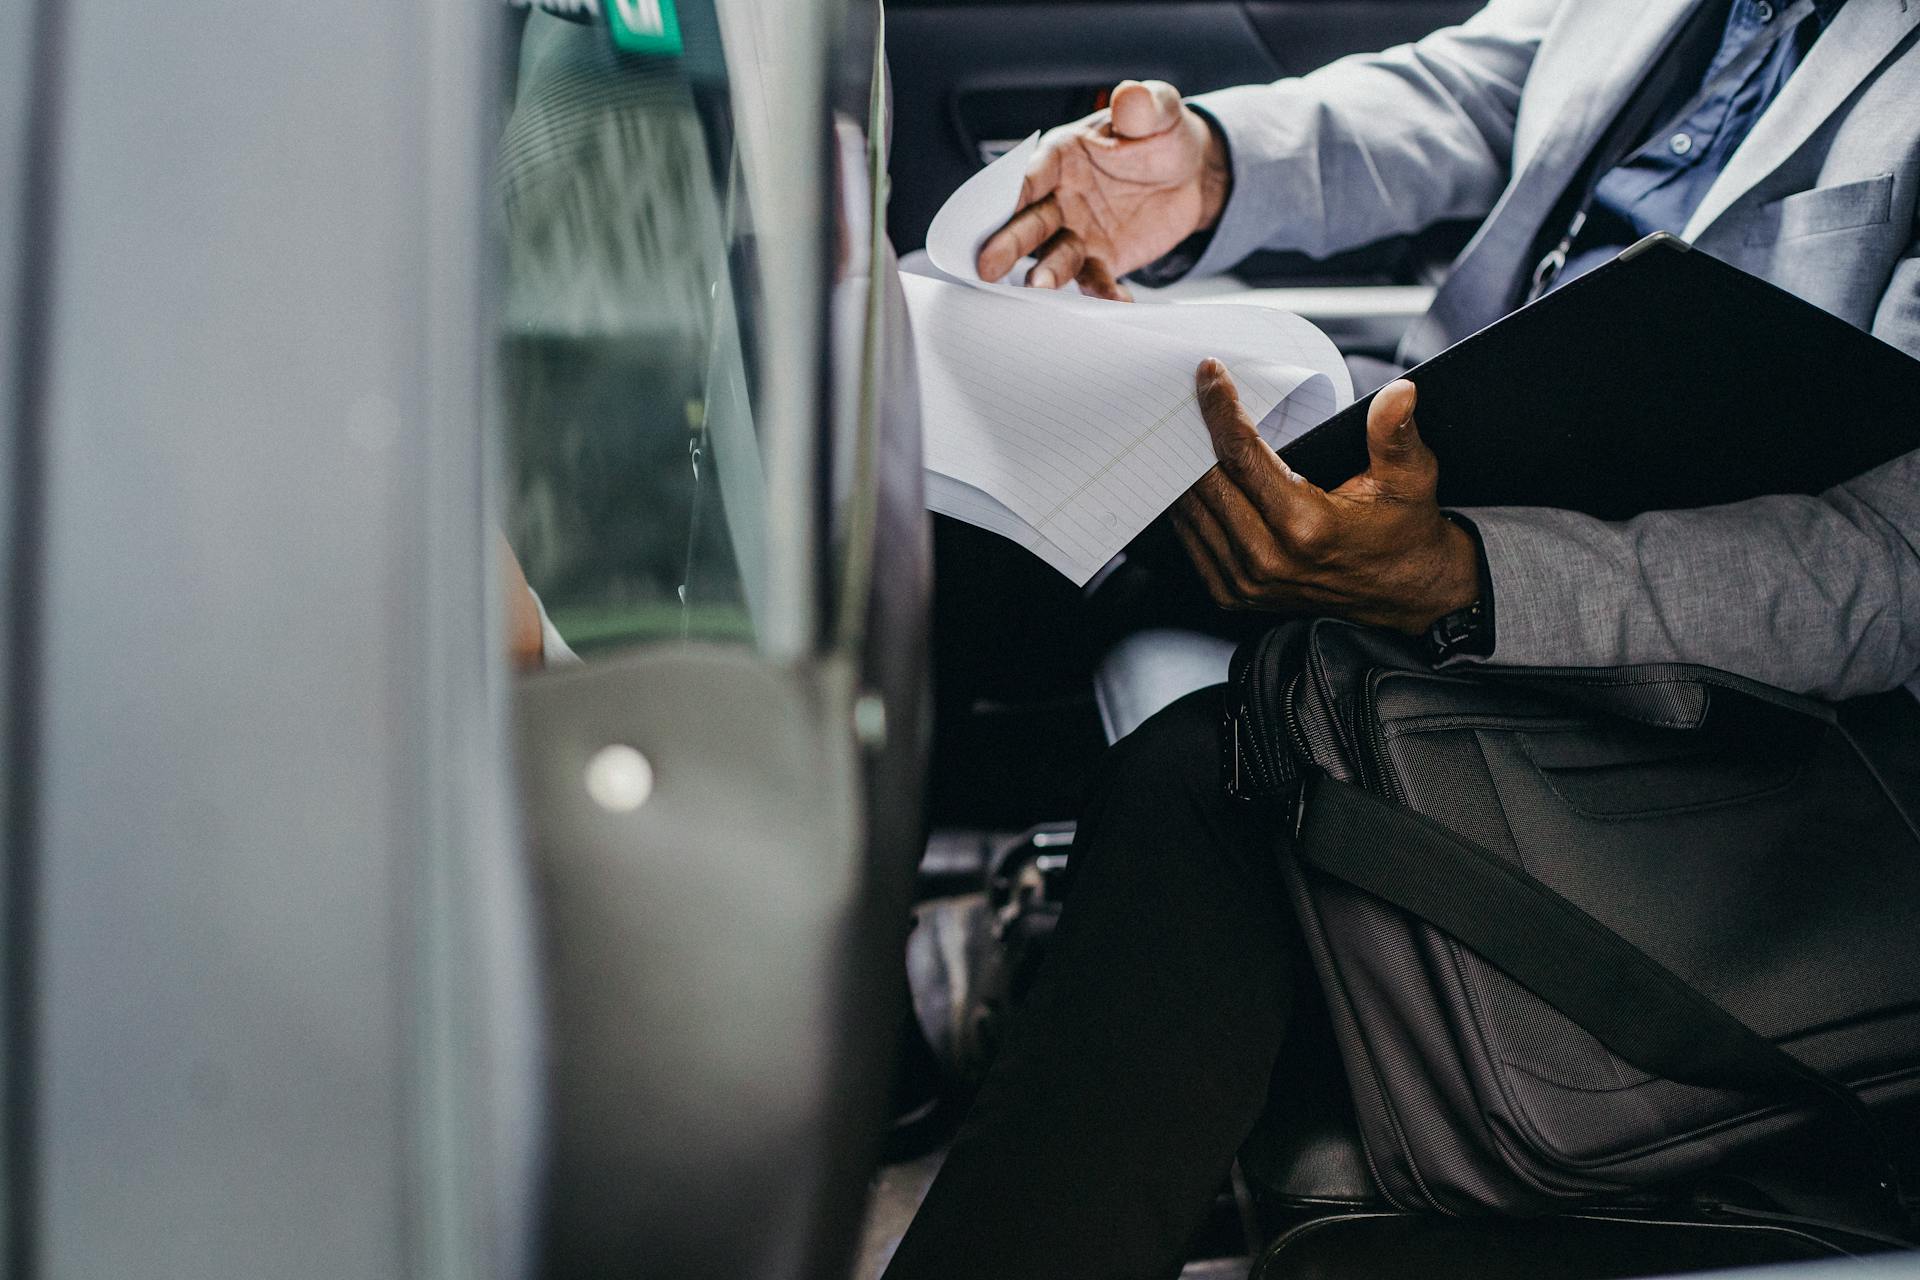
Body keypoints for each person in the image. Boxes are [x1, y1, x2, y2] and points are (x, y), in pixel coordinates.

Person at [880, 1, 1920, 1276]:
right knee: (969, 509)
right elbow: (1488, 90)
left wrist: (1465, 579)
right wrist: (1207, 162)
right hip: (1476, 465)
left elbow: (1894, 575)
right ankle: (840, 1043)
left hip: (1742, 704)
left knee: (1221, 774)